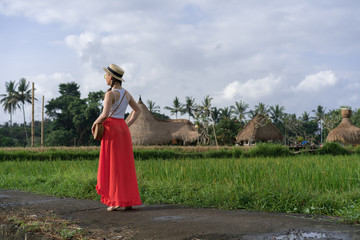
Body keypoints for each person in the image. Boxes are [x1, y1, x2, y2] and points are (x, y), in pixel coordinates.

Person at [91, 63, 142, 211]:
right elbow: (137, 110)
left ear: (111, 78)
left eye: (106, 75)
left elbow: (105, 114)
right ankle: (127, 200)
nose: (105, 77)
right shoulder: (126, 93)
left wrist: (95, 123)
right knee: (124, 165)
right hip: (123, 129)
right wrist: (127, 124)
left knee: (113, 165)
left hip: (112, 129)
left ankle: (115, 200)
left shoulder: (110, 94)